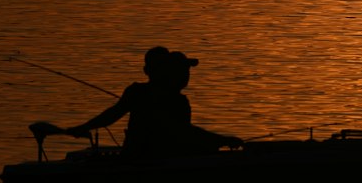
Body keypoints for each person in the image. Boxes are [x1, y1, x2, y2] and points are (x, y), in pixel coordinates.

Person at [62, 46, 242, 157]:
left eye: (186, 70)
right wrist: (221, 140)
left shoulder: (170, 98)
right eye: (180, 70)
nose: (186, 75)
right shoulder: (143, 94)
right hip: (146, 159)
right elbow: (182, 131)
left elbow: (112, 114)